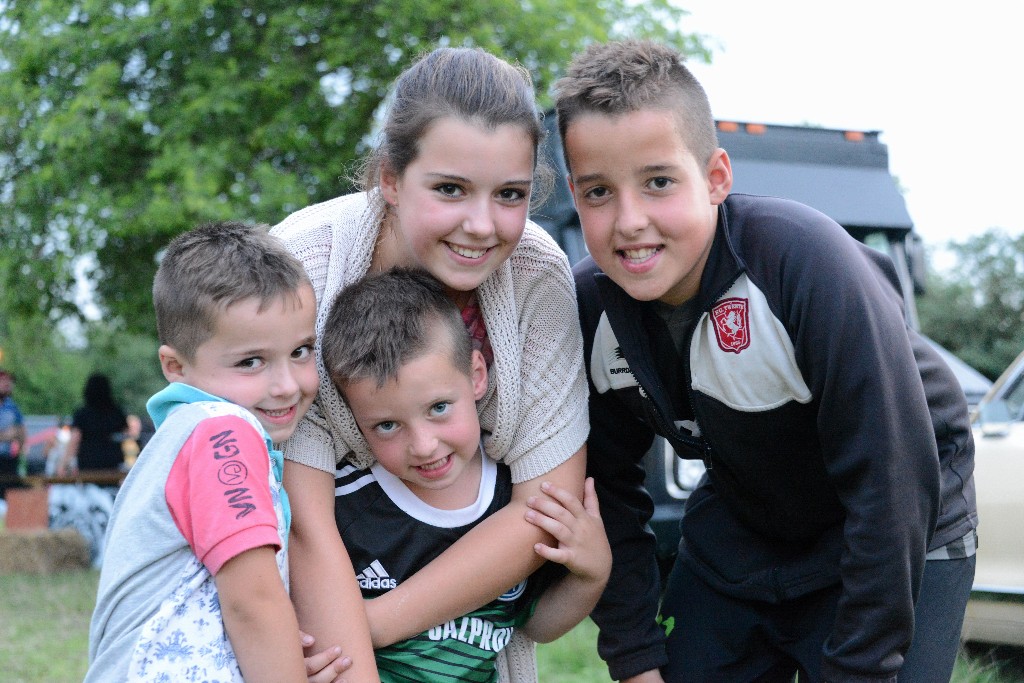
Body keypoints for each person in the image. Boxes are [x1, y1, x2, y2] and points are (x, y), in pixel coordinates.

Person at [556, 40, 978, 683]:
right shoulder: (591, 310)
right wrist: (635, 657)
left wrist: (861, 667)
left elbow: (889, 480)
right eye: (597, 192)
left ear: (717, 178)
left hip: (907, 514)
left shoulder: (803, 263)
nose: (629, 221)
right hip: (750, 519)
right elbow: (608, 490)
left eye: (659, 182)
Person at [272, 46, 590, 678]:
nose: (481, 225)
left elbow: (542, 510)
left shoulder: (536, 275)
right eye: (450, 189)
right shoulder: (305, 266)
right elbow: (304, 518)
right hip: (312, 635)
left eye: (510, 194)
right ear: (389, 177)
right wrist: (354, 657)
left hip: (467, 649)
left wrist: (375, 622)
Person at [85, 221, 359, 683]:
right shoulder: (222, 432)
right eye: (250, 362)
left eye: (301, 351)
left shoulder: (184, 437)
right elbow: (251, 600)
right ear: (176, 366)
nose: (287, 385)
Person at [322, 267, 610, 682]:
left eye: (439, 407)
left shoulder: (513, 500)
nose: (423, 445)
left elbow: (535, 626)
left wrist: (592, 574)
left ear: (477, 376)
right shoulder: (346, 503)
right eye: (387, 425)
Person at [57, 373, 128, 474]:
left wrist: (63, 464)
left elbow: (75, 439)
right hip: (113, 465)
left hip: (88, 466)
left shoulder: (82, 414)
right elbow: (125, 434)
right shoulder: (117, 412)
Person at [0, 368, 26, 498]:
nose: (7, 384)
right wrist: (6, 435)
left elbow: (21, 431)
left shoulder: (12, 407)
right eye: (3, 380)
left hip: (8, 461)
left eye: (8, 381)